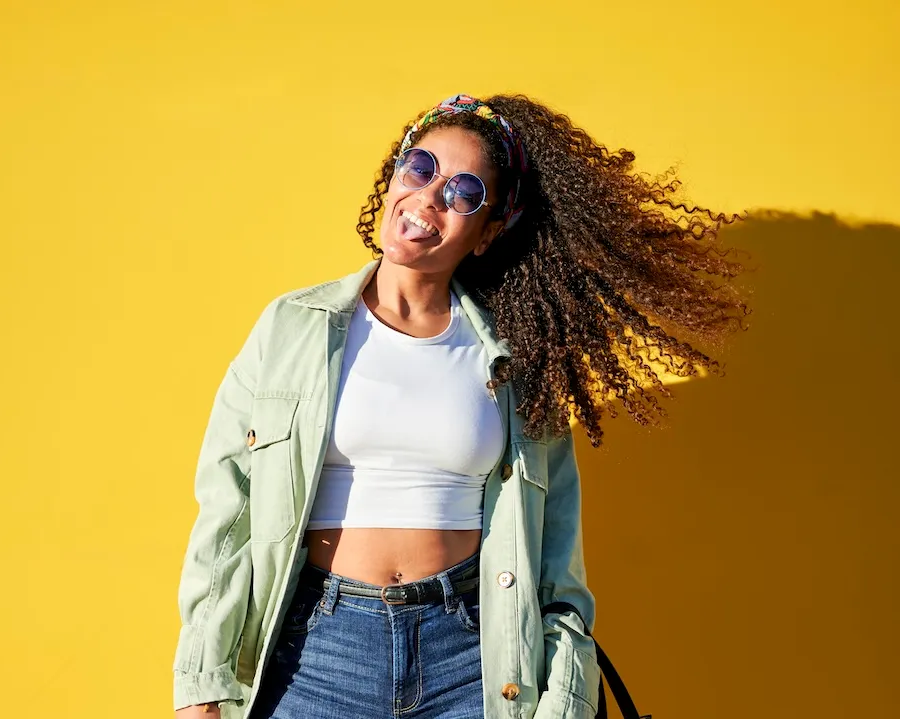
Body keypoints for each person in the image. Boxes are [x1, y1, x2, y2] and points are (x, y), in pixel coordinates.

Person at [171, 93, 747, 719]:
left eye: (464, 191)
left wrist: (565, 696)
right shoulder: (292, 326)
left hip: (470, 658)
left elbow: (555, 552)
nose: (428, 197)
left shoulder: (515, 356)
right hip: (312, 655)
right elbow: (228, 508)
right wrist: (204, 679)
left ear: (487, 231)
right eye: (419, 168)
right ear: (394, 176)